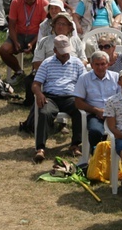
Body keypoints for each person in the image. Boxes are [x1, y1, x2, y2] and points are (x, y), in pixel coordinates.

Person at [31, 35, 87, 163]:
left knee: (79, 110)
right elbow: (35, 84)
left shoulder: (77, 63)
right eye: (62, 53)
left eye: (67, 52)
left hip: (70, 96)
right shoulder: (47, 63)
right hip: (51, 96)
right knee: (44, 112)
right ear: (55, 50)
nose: (65, 55)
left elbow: (85, 82)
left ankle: (75, 144)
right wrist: (39, 94)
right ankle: (40, 148)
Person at [0, 0, 48, 84]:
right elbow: (11, 25)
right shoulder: (16, 2)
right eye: (26, 0)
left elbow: (43, 29)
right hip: (19, 34)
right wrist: (15, 41)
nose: (29, 2)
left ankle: (35, 74)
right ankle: (18, 71)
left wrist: (32, 43)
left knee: (40, 51)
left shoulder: (44, 4)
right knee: (4, 50)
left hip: (36, 35)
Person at [75, 51, 120, 150]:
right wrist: (96, 110)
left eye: (103, 64)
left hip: (115, 114)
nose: (100, 67)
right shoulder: (84, 79)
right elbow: (78, 102)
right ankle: (96, 156)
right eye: (97, 64)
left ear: (108, 64)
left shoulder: (116, 77)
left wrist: (111, 112)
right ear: (91, 65)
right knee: (95, 131)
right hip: (94, 114)